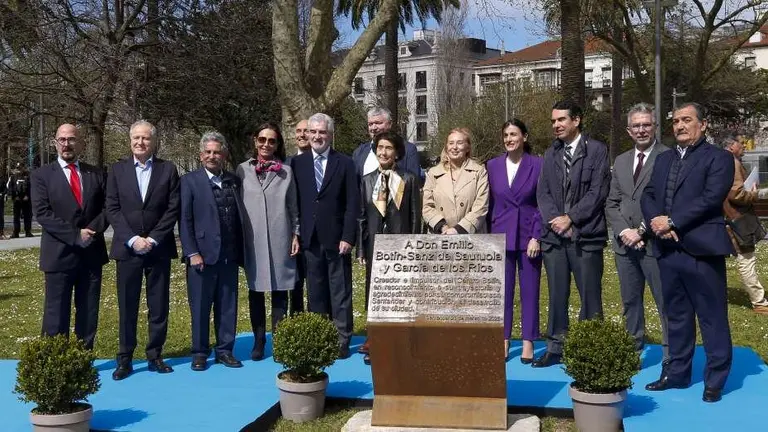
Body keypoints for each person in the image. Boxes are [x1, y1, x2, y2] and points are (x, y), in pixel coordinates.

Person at [641, 102, 734, 403]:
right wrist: (659, 224)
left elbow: (711, 198)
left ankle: (715, 380)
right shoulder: (665, 158)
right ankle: (678, 374)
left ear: (703, 124)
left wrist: (673, 220)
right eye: (676, 120)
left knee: (712, 317)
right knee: (677, 316)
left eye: (687, 120)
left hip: (701, 251)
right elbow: (649, 194)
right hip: (668, 250)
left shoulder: (719, 158)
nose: (680, 125)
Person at [534, 100, 610, 368]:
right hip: (554, 238)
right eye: (553, 121)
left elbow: (598, 192)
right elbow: (542, 192)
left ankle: (590, 349)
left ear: (576, 120)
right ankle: (556, 347)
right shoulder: (550, 153)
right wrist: (556, 221)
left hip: (586, 236)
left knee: (590, 295)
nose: (556, 125)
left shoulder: (597, 151)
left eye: (561, 120)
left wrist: (571, 218)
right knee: (556, 295)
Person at [106, 120, 180, 380]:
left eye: (145, 138)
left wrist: (154, 239)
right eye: (136, 138)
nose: (140, 142)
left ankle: (155, 355)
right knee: (128, 306)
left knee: (159, 306)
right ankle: (125, 358)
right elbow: (112, 209)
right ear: (130, 141)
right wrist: (133, 239)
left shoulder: (168, 170)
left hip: (158, 249)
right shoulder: (116, 170)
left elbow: (173, 208)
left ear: (154, 141)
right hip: (128, 250)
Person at [31, 124, 109, 349]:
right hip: (58, 255)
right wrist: (75, 235)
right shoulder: (41, 175)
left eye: (72, 139)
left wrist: (90, 232)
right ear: (55, 143)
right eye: (62, 139)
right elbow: (42, 214)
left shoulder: (96, 174)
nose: (67, 144)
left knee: (88, 312)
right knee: (56, 313)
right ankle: (56, 360)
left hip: (91, 254)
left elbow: (108, 208)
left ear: (82, 143)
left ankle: (83, 359)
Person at [605, 103, 670, 366]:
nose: (641, 130)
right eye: (636, 126)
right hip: (625, 245)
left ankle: (670, 353)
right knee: (630, 301)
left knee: (664, 301)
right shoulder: (620, 161)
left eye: (646, 124)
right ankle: (633, 347)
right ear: (629, 130)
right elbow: (612, 202)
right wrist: (623, 231)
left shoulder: (668, 157)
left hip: (655, 244)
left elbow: (667, 201)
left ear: (654, 127)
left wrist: (642, 230)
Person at [291, 113, 358, 359]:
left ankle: (342, 338)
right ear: (307, 134)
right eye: (313, 132)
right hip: (310, 238)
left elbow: (352, 204)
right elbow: (294, 204)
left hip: (337, 237)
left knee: (340, 290)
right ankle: (321, 336)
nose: (317, 136)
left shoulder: (346, 163)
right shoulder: (297, 164)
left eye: (322, 132)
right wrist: (295, 234)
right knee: (316, 291)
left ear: (330, 135)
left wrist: (348, 236)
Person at [179, 132, 244, 371]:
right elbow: (184, 220)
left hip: (229, 254)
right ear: (200, 155)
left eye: (217, 152)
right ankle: (199, 352)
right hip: (202, 256)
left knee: (228, 305)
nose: (212, 156)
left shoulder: (233, 180)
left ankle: (225, 350)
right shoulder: (189, 181)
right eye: (208, 152)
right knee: (200, 306)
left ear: (224, 155)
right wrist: (191, 252)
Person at [357, 131, 422, 364]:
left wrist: (414, 246)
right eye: (379, 148)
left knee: (400, 294)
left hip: (401, 246)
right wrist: (361, 250)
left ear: (397, 152)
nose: (383, 152)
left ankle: (401, 339)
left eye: (388, 148)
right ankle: (375, 339)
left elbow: (415, 216)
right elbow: (362, 218)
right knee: (375, 294)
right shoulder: (366, 180)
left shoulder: (409, 179)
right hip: (375, 245)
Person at [238, 123, 300, 361]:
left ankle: (280, 340)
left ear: (277, 144)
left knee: (279, 290)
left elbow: (294, 207)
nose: (266, 144)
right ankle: (259, 340)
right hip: (253, 240)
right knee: (256, 290)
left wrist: (296, 234)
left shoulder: (286, 171)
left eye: (271, 141)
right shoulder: (242, 170)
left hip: (280, 236)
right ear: (255, 141)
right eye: (262, 139)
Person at [486, 119, 542, 363]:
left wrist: (536, 236)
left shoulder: (538, 165)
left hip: (529, 236)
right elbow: (488, 204)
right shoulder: (492, 166)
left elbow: (543, 203)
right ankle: (504, 339)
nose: (509, 139)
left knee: (529, 291)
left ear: (525, 137)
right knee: (503, 292)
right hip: (500, 235)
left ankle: (528, 341)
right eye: (506, 135)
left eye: (514, 134)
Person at [721, 134, 768, 315]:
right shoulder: (732, 163)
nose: (744, 146)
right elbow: (737, 194)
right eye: (741, 143)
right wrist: (755, 194)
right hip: (737, 218)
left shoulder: (720, 161)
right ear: (731, 145)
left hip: (727, 218)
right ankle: (759, 302)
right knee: (747, 259)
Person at [422, 127, 489, 235]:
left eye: (460, 143)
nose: (455, 147)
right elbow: (427, 207)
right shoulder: (433, 174)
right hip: (441, 237)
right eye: (451, 143)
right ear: (446, 147)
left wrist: (458, 230)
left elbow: (481, 206)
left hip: (471, 238)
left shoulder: (479, 172)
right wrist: (443, 227)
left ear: (467, 147)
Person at [352, 107, 421, 182]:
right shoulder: (359, 152)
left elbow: (414, 183)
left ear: (390, 124)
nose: (374, 128)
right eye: (370, 124)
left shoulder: (408, 149)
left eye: (378, 123)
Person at [284, 119, 309, 315]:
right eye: (298, 131)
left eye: (306, 131)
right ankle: (297, 319)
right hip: (294, 232)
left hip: (318, 232)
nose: (301, 135)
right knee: (296, 282)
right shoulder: (286, 164)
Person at [8, 162, 33, 238]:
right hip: (17, 200)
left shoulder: (28, 176)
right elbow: (10, 187)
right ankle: (16, 232)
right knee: (16, 217)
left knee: (27, 216)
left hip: (26, 200)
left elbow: (31, 187)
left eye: (21, 168)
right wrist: (14, 196)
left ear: (23, 168)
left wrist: (28, 196)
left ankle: (28, 231)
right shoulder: (13, 177)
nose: (19, 170)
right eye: (18, 168)